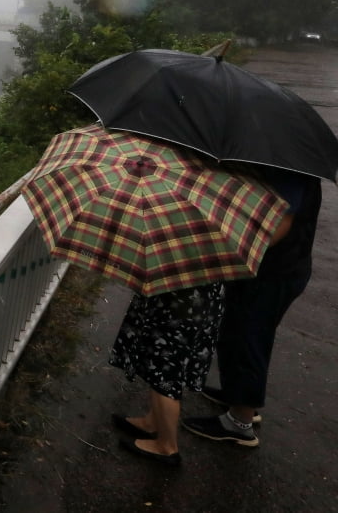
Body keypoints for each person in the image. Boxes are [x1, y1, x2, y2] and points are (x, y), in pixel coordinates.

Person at [181, 169, 323, 447]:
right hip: (260, 269)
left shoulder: (289, 169)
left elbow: (282, 223)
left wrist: (241, 252)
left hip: (274, 271)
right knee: (235, 329)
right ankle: (236, 393)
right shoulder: (273, 156)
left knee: (251, 337)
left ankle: (240, 422)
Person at [108, 282, 226, 466]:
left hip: (181, 304)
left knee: (165, 372)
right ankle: (153, 422)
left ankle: (166, 446)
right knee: (159, 365)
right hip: (194, 298)